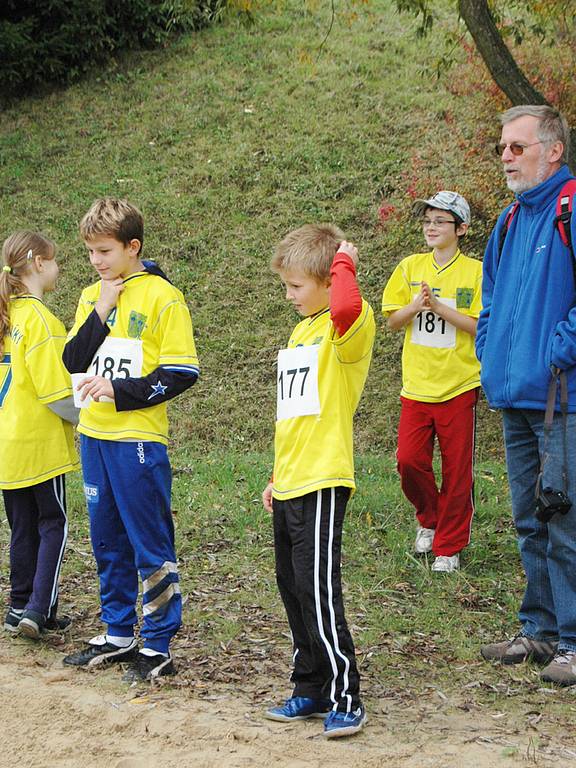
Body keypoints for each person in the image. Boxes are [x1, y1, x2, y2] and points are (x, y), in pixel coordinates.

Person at [61, 198, 199, 683]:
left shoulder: (164, 297)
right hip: (93, 437)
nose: (96, 261)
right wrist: (101, 307)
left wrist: (120, 391)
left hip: (137, 439)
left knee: (148, 542)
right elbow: (73, 360)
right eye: (90, 253)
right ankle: (118, 633)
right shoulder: (90, 295)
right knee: (107, 539)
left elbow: (183, 371)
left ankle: (158, 642)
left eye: (104, 251)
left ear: (132, 246)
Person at [261, 224, 375, 738]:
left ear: (330, 279)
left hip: (324, 480)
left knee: (319, 590)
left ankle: (346, 694)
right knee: (292, 588)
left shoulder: (347, 324)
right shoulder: (301, 329)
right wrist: (277, 474)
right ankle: (310, 685)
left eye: (296, 286)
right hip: (291, 480)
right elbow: (294, 413)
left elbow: (348, 308)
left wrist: (345, 259)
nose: (288, 296)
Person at [476, 105, 576, 685]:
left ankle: (572, 640)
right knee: (528, 520)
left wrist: (560, 349)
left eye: (517, 147)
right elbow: (489, 297)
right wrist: (490, 352)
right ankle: (538, 632)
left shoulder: (570, 207)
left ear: (553, 149)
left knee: (565, 519)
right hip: (515, 397)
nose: (507, 158)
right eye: (503, 149)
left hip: (564, 399)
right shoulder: (510, 221)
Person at [382, 192, 482, 573]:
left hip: (458, 385)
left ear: (461, 229)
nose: (431, 227)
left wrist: (440, 308)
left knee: (457, 471)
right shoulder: (410, 267)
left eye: (440, 221)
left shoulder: (474, 271)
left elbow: (478, 325)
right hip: (416, 386)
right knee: (408, 461)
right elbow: (393, 320)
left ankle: (449, 546)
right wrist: (417, 306)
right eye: (427, 220)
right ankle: (430, 517)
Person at [0, 231, 79, 639]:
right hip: (39, 445)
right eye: (57, 261)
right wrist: (88, 419)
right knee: (54, 523)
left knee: (22, 526)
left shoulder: (5, 315)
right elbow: (56, 394)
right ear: (40, 263)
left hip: (6, 446)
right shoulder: (42, 322)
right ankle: (38, 610)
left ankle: (18, 606)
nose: (59, 268)